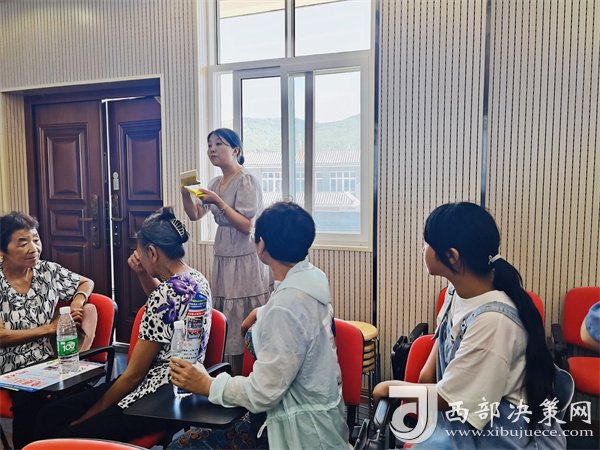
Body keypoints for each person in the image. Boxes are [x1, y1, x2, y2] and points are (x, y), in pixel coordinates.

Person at [373, 202, 565, 449]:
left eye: (428, 243)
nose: (423, 248)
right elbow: (442, 343)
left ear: (452, 257)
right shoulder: (457, 290)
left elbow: (452, 400)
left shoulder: (494, 321)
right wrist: (423, 380)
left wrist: (391, 387)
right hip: (463, 421)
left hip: (504, 435)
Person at [169, 202, 349, 450]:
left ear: (261, 245)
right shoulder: (310, 280)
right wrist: (262, 312)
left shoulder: (285, 308)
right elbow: (297, 323)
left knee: (182, 446)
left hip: (299, 431)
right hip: (319, 416)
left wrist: (207, 384)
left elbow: (262, 393)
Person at [34, 207, 212, 442]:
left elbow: (133, 376)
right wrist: (142, 273)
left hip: (153, 396)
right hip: (180, 388)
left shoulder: (165, 294)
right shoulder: (197, 279)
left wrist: (88, 418)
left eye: (141, 252)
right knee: (55, 413)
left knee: (65, 431)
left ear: (152, 252)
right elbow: (167, 310)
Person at [0, 211, 96, 449]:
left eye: (36, 239)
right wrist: (49, 329)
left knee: (86, 396)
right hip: (10, 368)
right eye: (23, 243)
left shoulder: (47, 271)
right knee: (32, 405)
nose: (34, 248)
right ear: (2, 251)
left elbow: (86, 282)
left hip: (50, 361)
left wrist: (76, 302)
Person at [180, 128, 270, 375]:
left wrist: (218, 202)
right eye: (210, 145)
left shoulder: (246, 180)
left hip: (244, 254)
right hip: (223, 252)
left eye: (219, 144)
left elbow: (246, 225)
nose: (212, 149)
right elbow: (195, 214)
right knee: (226, 313)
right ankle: (231, 377)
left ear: (235, 150)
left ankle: (251, 376)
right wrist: (185, 194)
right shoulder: (213, 183)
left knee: (245, 313)